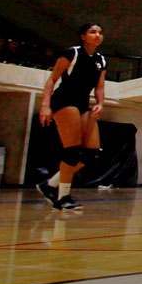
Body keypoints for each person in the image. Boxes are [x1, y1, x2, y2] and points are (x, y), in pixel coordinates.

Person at [35, 23, 107, 211]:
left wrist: (100, 103)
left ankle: (50, 184)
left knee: (92, 153)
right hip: (64, 100)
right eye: (93, 32)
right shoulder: (72, 53)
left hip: (83, 104)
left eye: (100, 33)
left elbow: (100, 86)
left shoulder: (101, 60)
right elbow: (52, 79)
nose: (97, 35)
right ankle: (62, 196)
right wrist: (45, 105)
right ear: (83, 36)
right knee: (72, 151)